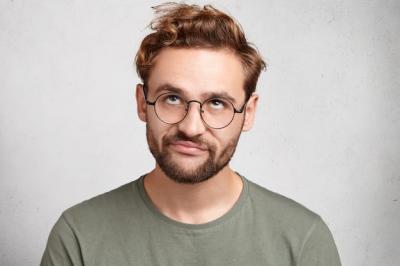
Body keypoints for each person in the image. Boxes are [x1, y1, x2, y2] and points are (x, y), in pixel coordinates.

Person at [41, 3, 341, 266]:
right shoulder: (79, 235)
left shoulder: (303, 239)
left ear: (248, 113)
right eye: (172, 98)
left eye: (216, 103)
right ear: (141, 104)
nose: (191, 126)